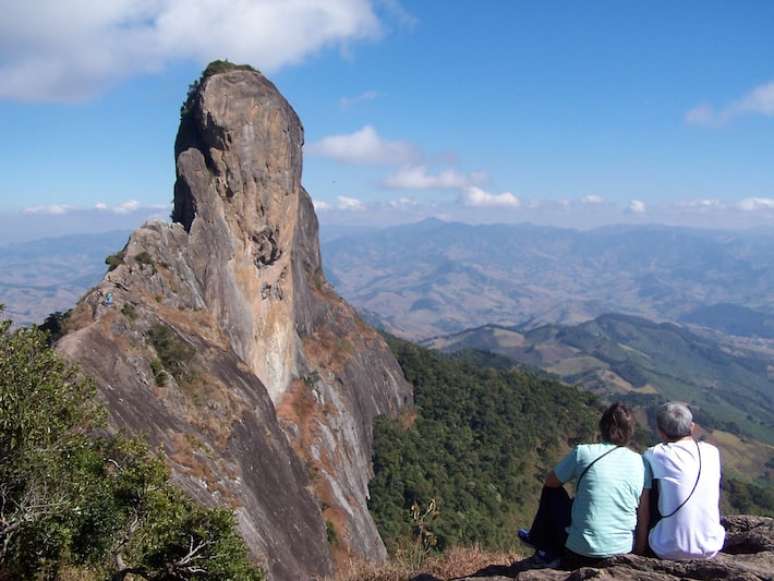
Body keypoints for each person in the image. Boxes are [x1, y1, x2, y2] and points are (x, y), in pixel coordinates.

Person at [519, 402, 650, 568]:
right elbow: (643, 515)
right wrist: (637, 553)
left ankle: (544, 546)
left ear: (603, 427)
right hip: (621, 553)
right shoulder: (641, 463)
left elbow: (551, 481)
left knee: (551, 491)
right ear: (630, 432)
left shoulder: (583, 452)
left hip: (579, 552)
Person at [643, 402, 725, 560]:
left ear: (660, 432)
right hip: (710, 547)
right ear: (692, 427)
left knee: (650, 484)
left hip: (665, 548)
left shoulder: (654, 454)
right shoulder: (712, 452)